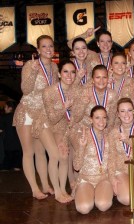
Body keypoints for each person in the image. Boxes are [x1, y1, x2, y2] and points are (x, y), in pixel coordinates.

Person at [13, 35, 57, 199]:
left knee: (41, 151)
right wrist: (32, 72)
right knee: (29, 151)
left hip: (42, 115)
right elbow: (25, 89)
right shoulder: (30, 65)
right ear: (38, 50)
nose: (48, 49)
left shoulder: (54, 68)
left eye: (51, 46)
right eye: (44, 46)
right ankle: (34, 189)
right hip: (27, 111)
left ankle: (45, 184)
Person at [39, 60, 79, 203]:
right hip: (45, 124)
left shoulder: (76, 90)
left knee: (64, 155)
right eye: (65, 71)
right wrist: (64, 107)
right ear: (59, 74)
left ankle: (63, 189)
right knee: (55, 155)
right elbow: (52, 118)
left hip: (61, 127)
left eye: (73, 72)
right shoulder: (49, 91)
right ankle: (57, 192)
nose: (69, 75)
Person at [73, 105, 113, 214]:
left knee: (103, 205)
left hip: (104, 178)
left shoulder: (109, 136)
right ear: (91, 119)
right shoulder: (83, 135)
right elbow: (76, 166)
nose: (101, 121)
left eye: (104, 118)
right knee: (83, 208)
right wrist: (81, 147)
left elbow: (113, 161)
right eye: (97, 118)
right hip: (86, 179)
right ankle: (88, 194)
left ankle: (99, 194)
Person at [0, 100, 22, 170]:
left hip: (8, 144)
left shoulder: (4, 117)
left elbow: (0, 129)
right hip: (19, 144)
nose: (4, 108)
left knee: (6, 166)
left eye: (6, 107)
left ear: (10, 108)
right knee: (17, 166)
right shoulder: (19, 117)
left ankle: (6, 180)